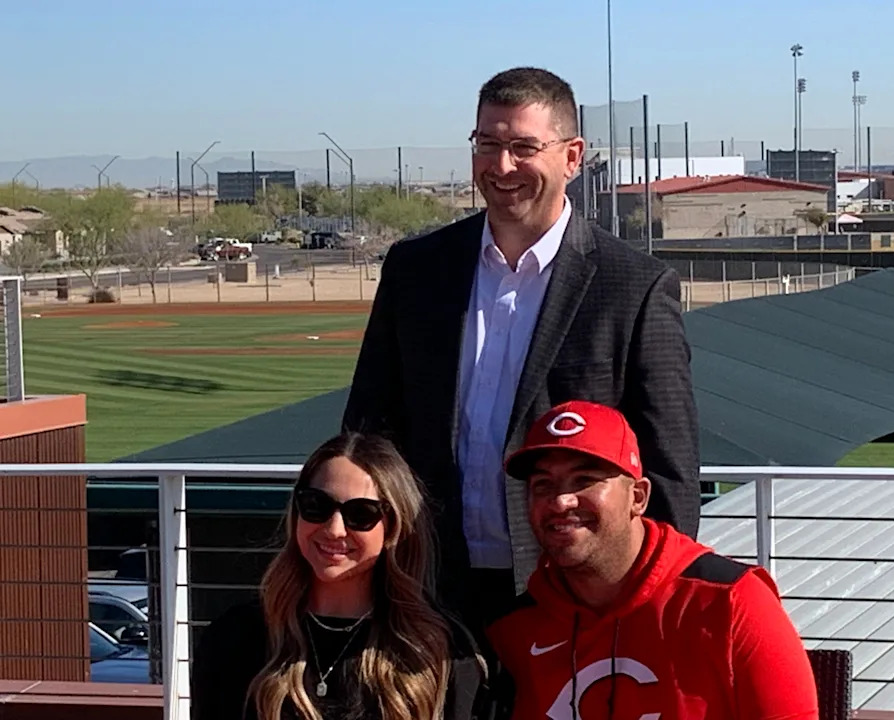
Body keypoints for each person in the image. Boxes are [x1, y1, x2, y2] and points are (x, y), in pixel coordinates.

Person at [343, 66, 700, 631]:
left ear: (572, 156)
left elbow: (668, 469)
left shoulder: (634, 286)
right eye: (487, 144)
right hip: (430, 591)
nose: (502, 166)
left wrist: (654, 609)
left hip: (571, 595)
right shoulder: (416, 270)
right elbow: (367, 430)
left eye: (523, 147)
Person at [485, 400, 818, 720]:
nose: (561, 501)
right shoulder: (514, 627)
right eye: (543, 485)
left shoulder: (728, 602)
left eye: (584, 480)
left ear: (638, 497)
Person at [191, 432, 487, 720]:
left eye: (361, 513)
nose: (334, 529)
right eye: (316, 506)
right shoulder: (236, 638)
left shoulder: (439, 651)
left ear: (394, 526)